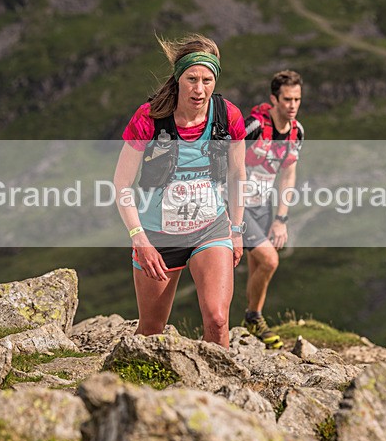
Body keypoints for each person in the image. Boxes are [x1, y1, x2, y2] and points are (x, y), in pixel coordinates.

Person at [113, 34, 247, 348]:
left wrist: (237, 230)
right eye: (191, 79)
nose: (199, 89)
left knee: (217, 318)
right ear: (178, 78)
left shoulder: (228, 117)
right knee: (151, 330)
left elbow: (239, 175)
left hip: (211, 229)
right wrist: (139, 237)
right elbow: (121, 184)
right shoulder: (149, 118)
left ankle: (218, 394)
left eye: (207, 80)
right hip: (158, 236)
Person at [240, 70, 304, 349]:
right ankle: (253, 317)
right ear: (274, 99)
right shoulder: (254, 126)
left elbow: (289, 174)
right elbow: (226, 160)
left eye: (297, 99)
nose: (292, 105)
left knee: (259, 265)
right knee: (269, 261)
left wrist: (281, 219)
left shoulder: (297, 132)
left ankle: (253, 323)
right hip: (237, 205)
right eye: (287, 99)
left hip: (264, 206)